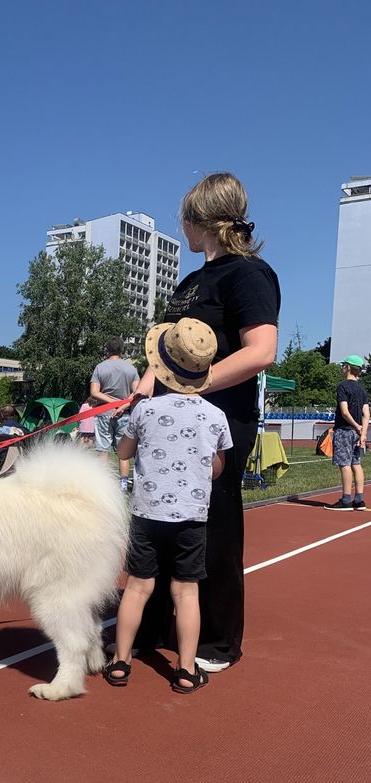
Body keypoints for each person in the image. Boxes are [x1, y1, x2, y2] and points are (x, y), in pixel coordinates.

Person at [131, 173, 279, 673]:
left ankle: (217, 639)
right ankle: (154, 626)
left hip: (221, 419)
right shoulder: (191, 282)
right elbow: (171, 346)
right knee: (156, 514)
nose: (182, 229)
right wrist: (149, 376)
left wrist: (192, 385)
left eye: (185, 219)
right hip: (170, 417)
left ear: (204, 221)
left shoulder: (249, 275)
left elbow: (261, 352)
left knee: (211, 520)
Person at [103, 318, 232, 693]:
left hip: (147, 514)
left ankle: (120, 662)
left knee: (138, 586)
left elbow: (123, 450)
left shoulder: (145, 411)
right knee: (186, 592)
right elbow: (217, 469)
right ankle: (187, 669)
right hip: (191, 517)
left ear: (162, 365)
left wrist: (135, 417)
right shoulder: (215, 415)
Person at [90, 339, 140, 490]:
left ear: (107, 350)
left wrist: (112, 402)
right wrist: (122, 404)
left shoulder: (100, 368)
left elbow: (94, 392)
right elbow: (137, 392)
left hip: (103, 412)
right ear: (122, 350)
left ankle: (103, 484)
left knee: (103, 450)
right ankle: (123, 484)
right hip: (124, 414)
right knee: (122, 451)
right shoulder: (130, 369)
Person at [324, 355, 369, 511]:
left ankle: (346, 499)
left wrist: (356, 426)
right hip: (357, 433)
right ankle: (359, 499)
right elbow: (366, 414)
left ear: (348, 367)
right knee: (356, 463)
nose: (342, 368)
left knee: (345, 464)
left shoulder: (343, 387)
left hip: (344, 430)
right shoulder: (362, 390)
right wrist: (362, 433)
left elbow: (344, 412)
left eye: (343, 365)